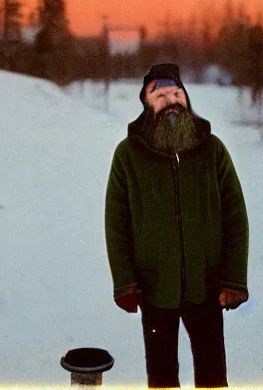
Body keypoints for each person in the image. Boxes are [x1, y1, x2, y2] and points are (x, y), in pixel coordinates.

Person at [104, 63, 249, 388]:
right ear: (146, 102)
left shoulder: (212, 150)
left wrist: (234, 279)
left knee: (213, 376)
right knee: (162, 376)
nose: (171, 100)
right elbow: (117, 224)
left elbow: (236, 216)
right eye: (160, 94)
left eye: (177, 92)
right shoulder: (128, 155)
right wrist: (125, 282)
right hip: (155, 287)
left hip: (206, 284)